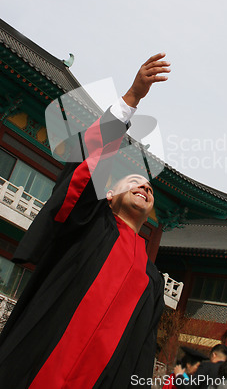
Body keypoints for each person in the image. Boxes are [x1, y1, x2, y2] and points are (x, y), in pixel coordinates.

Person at [0, 53, 171, 389]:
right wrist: (131, 98)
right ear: (108, 195)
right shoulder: (88, 227)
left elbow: (141, 353)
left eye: (148, 186)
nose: (145, 185)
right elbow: (86, 167)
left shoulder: (152, 281)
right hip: (36, 366)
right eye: (134, 181)